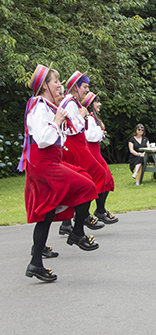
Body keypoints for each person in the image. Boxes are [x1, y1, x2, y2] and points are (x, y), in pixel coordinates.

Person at [21, 64, 99, 282]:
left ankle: (35, 263)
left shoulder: (46, 106)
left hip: (49, 162)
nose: (60, 85)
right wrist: (57, 121)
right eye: (56, 81)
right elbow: (43, 138)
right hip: (44, 165)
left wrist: (59, 122)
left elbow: (57, 138)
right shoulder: (38, 107)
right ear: (45, 86)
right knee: (87, 185)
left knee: (47, 213)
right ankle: (77, 233)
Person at [59, 71, 106, 234]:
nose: (87, 90)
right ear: (75, 88)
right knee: (96, 176)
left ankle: (75, 219)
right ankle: (83, 215)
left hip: (77, 146)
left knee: (89, 179)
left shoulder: (72, 101)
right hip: (74, 147)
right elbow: (71, 129)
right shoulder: (70, 103)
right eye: (85, 87)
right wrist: (81, 115)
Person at [81, 92, 118, 223]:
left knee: (107, 179)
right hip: (92, 152)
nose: (99, 104)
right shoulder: (89, 119)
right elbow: (90, 136)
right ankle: (90, 212)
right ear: (91, 104)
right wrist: (101, 132)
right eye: (97, 102)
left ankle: (100, 209)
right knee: (100, 179)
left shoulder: (92, 118)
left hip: (95, 151)